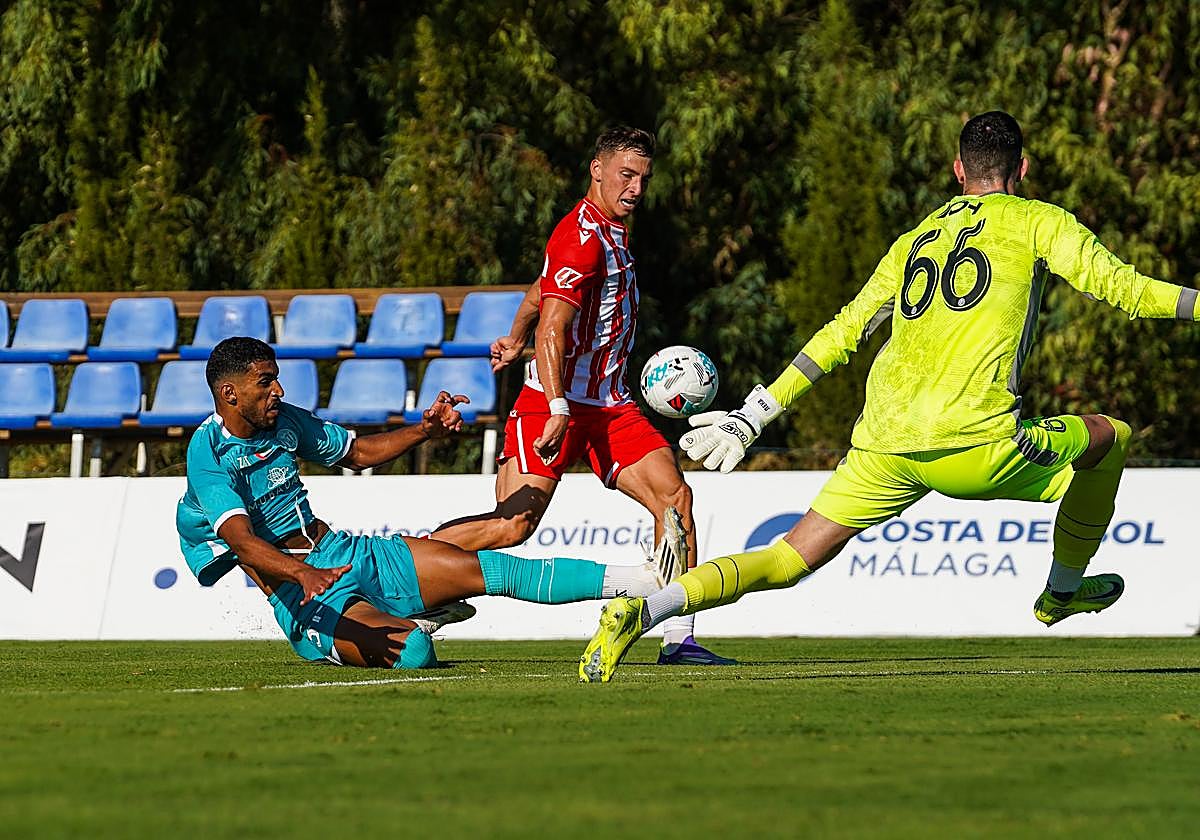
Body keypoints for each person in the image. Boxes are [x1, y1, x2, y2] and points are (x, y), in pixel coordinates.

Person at [579, 110, 1200, 682]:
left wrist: (755, 413)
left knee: (788, 558)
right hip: (976, 444)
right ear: (1024, 168)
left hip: (886, 444)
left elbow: (843, 331)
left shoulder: (916, 240)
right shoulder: (1039, 220)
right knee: (1109, 437)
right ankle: (1062, 590)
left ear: (959, 171)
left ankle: (645, 611)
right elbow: (1125, 289)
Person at [176, 336, 670, 669]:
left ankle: (642, 580)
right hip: (302, 593)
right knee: (412, 653)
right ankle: (410, 621)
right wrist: (301, 573)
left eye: (276, 377)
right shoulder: (208, 452)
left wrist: (425, 430)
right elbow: (240, 541)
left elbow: (359, 452)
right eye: (266, 382)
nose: (278, 390)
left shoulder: (285, 420)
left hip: (346, 554)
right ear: (230, 393)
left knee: (493, 569)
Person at [431, 125, 732, 666]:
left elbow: (541, 287)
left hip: (610, 406)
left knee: (675, 499)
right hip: (554, 403)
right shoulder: (581, 235)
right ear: (597, 170)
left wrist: (515, 333)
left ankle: (678, 639)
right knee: (512, 524)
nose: (636, 187)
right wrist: (557, 403)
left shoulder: (611, 231)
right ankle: (412, 575)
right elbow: (556, 326)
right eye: (626, 174)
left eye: (643, 178)